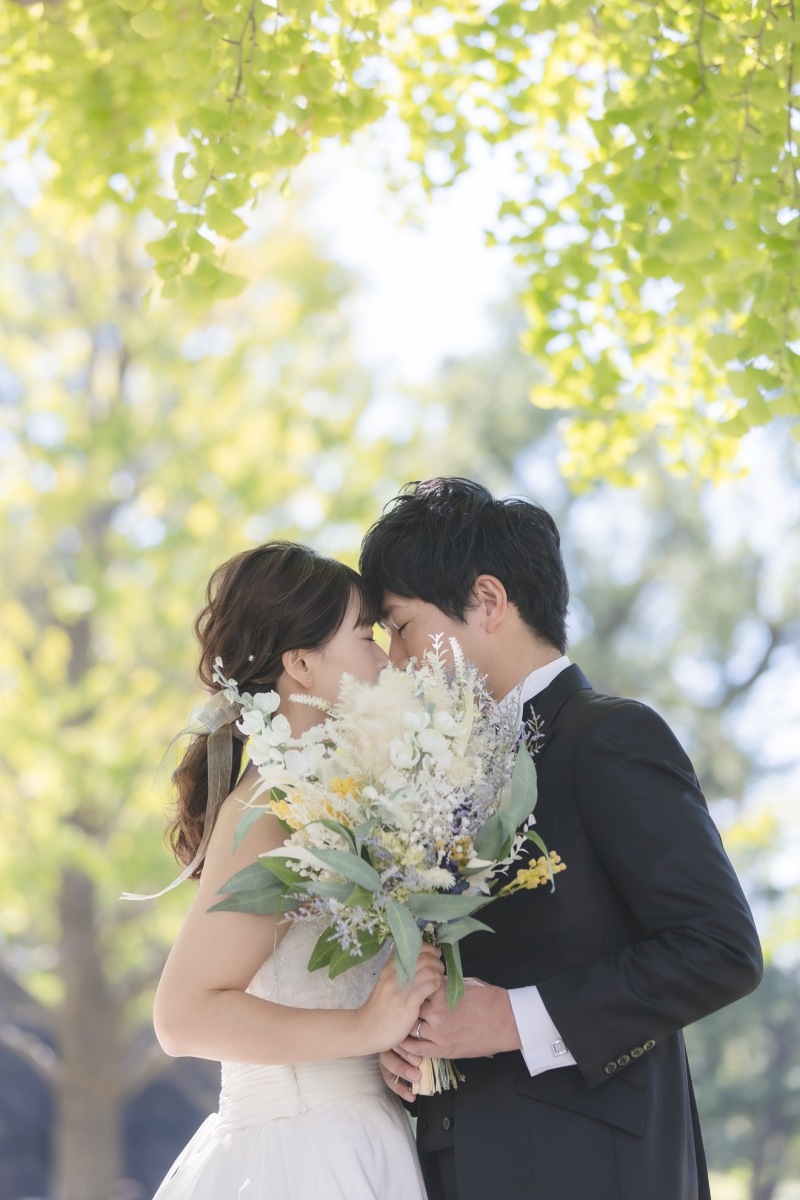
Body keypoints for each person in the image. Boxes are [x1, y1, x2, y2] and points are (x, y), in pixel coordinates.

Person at [359, 477, 763, 1200]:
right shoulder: (446, 770)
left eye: (401, 625)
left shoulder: (609, 736)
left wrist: (510, 1019)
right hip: (454, 1163)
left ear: (486, 600)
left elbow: (720, 950)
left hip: (594, 1168)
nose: (394, 659)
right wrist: (412, 1039)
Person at [150, 541, 442, 1200]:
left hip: (365, 1136)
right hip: (303, 1156)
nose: (386, 655)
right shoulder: (271, 803)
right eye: (364, 634)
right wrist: (366, 1028)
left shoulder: (339, 798)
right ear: (302, 664)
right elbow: (182, 1015)